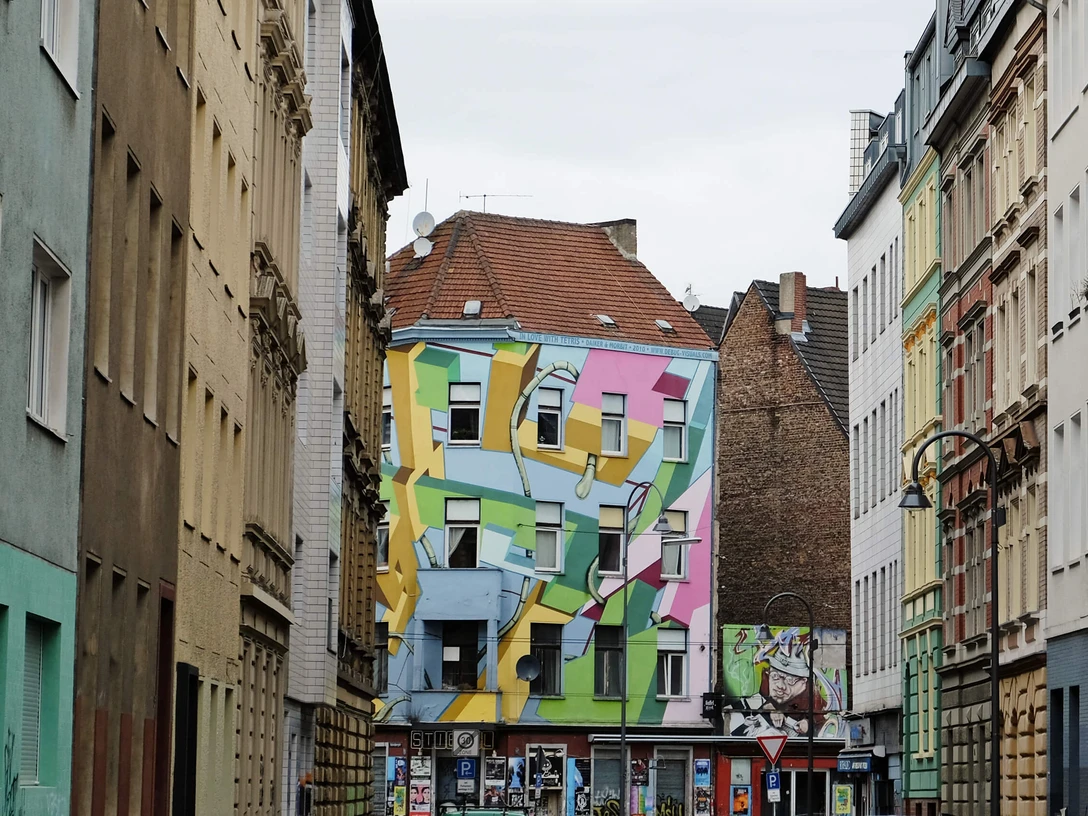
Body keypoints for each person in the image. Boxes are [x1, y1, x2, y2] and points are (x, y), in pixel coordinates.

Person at [729, 641, 826, 737]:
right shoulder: (763, 684)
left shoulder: (815, 697)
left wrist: (808, 723)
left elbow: (826, 721)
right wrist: (769, 707)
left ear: (803, 682)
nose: (780, 685)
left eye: (790, 680)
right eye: (775, 676)